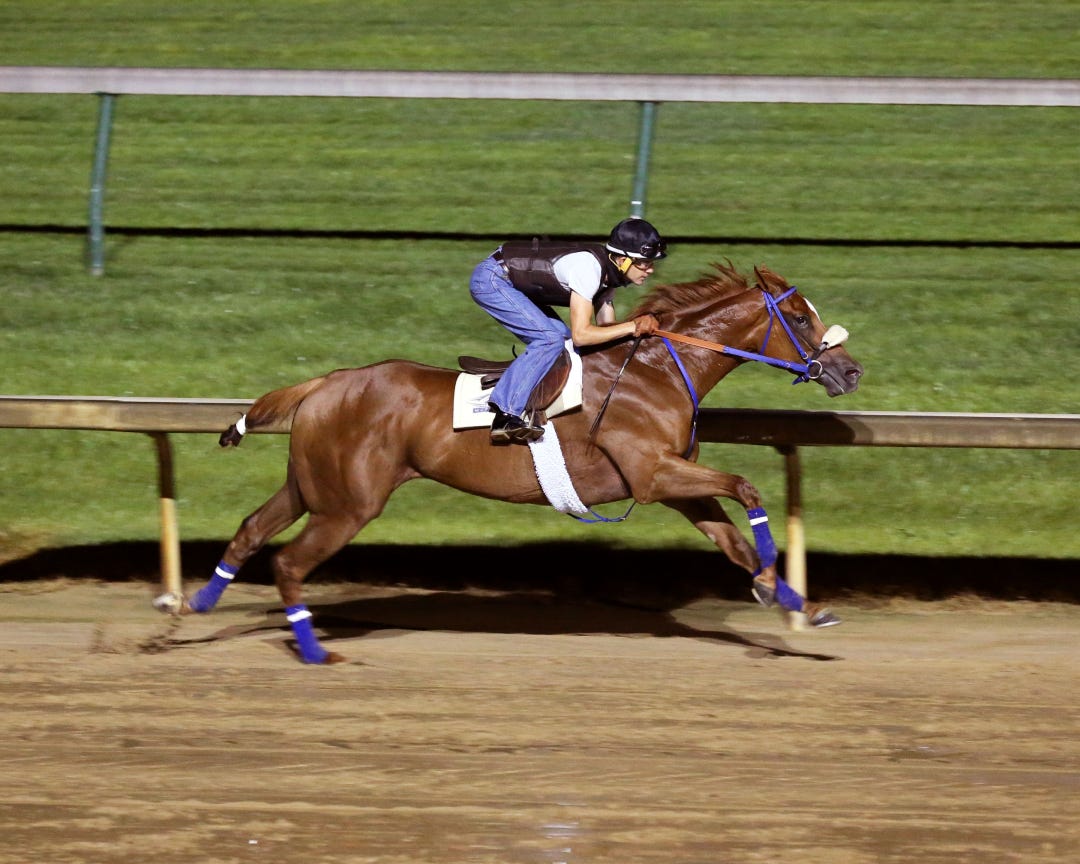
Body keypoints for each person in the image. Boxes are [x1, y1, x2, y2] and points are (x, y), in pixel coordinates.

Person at [469, 217, 667, 444]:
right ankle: (505, 414)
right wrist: (633, 326)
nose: (650, 270)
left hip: (514, 283)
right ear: (623, 260)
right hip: (492, 279)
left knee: (562, 342)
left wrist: (638, 334)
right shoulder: (589, 270)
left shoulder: (609, 277)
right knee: (549, 339)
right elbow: (581, 335)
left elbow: (606, 330)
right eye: (644, 263)